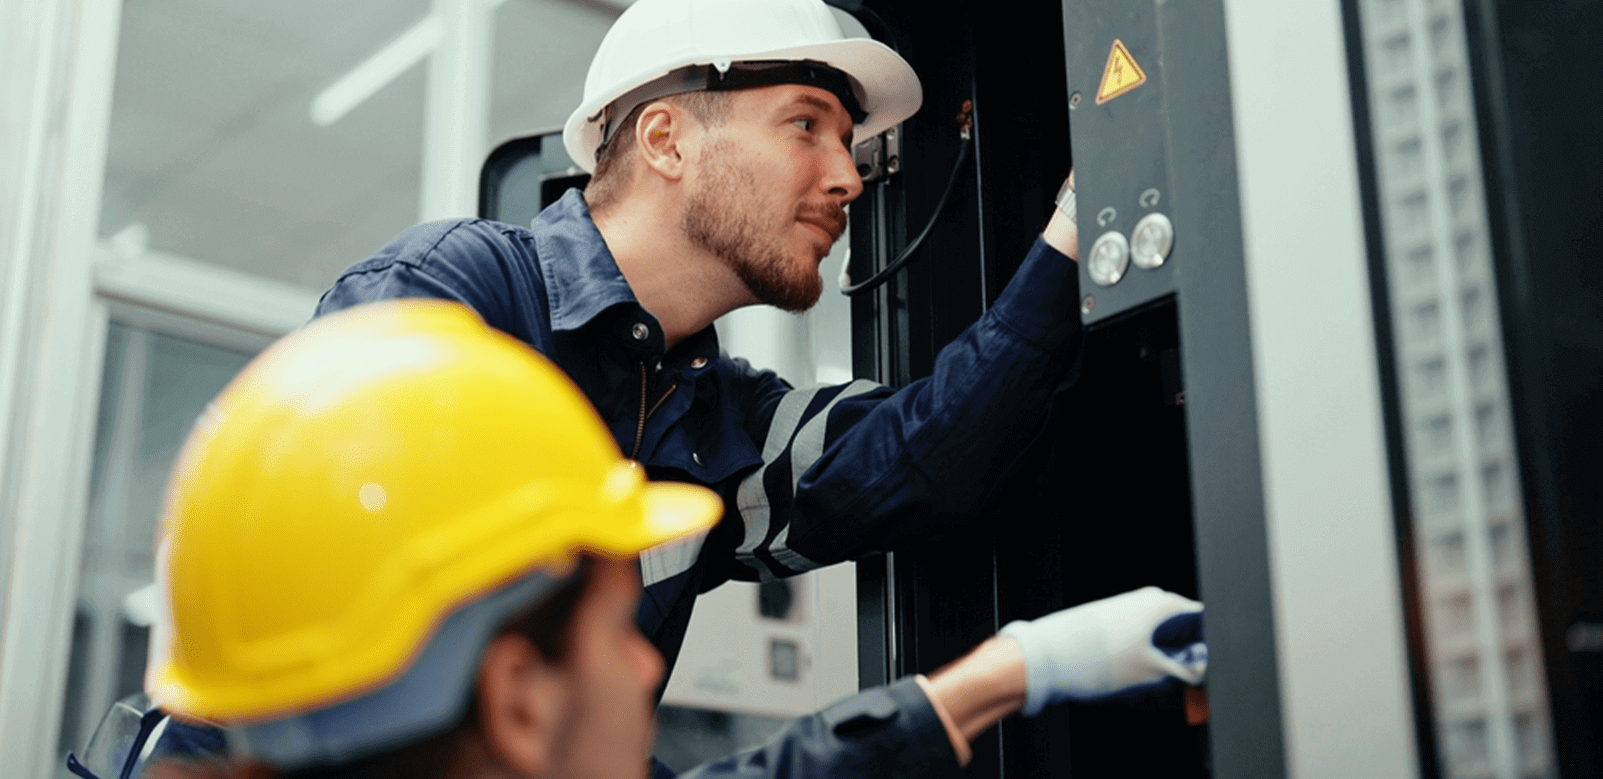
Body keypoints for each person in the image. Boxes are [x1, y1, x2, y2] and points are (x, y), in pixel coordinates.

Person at [311, 0, 1085, 690]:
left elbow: (926, 453)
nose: (850, 176)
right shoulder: (455, 294)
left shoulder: (716, 419)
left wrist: (1077, 232)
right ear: (665, 139)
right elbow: (373, 667)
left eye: (847, 142)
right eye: (806, 124)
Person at [121, 301, 1204, 779]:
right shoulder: (466, 291)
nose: (648, 657)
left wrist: (1020, 668)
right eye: (612, 626)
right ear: (514, 695)